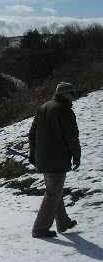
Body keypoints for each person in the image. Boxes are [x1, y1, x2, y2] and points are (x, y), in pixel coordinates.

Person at [28, 82, 81, 238]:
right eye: (72, 94)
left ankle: (63, 222)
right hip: (57, 159)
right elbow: (71, 136)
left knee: (54, 191)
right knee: (52, 193)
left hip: (43, 158)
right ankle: (39, 229)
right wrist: (76, 154)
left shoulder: (43, 107)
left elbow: (32, 133)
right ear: (65, 94)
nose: (73, 97)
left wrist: (33, 154)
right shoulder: (64, 110)